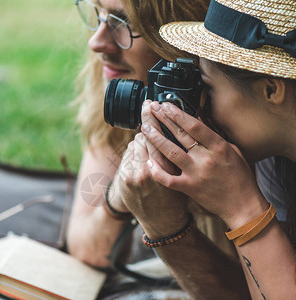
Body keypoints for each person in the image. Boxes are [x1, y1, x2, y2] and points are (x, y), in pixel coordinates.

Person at [119, 0, 296, 299]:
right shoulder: (280, 157)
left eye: (207, 87)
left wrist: (242, 208)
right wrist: (164, 223)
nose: (201, 109)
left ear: (271, 89)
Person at [67, 0, 240, 286]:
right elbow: (87, 246)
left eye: (126, 23)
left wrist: (167, 227)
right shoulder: (118, 83)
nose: (96, 42)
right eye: (98, 15)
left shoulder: (250, 129)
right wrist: (119, 196)